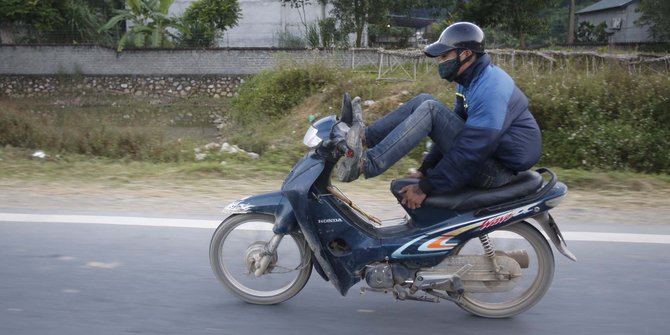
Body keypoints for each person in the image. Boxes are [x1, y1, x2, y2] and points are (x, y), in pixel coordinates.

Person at [336, 22, 542, 210]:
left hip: (496, 171)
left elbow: (470, 150)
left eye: (444, 56)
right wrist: (426, 169)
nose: (440, 62)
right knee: (424, 100)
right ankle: (364, 136)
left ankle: (366, 164)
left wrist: (426, 187)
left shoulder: (491, 88)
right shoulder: (469, 80)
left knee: (431, 109)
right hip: (489, 158)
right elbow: (449, 134)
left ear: (466, 53)